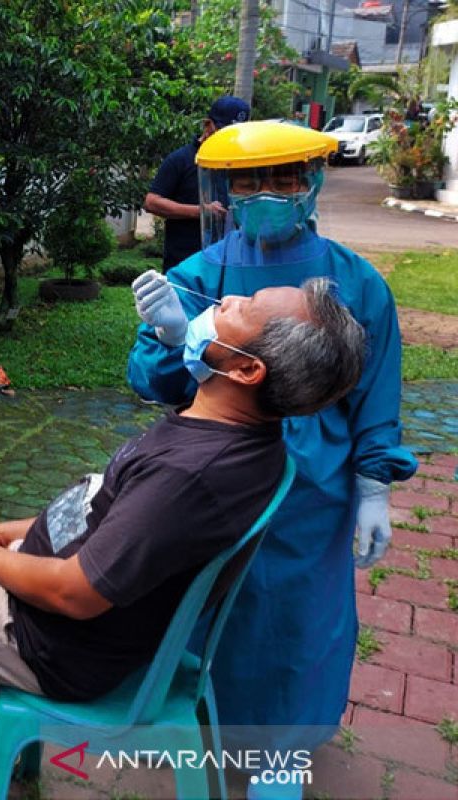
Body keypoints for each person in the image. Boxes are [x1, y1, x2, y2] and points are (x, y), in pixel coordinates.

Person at [0, 278, 367, 800]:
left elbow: (77, 592)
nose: (224, 299)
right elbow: (114, 509)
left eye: (242, 308)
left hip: (61, 640)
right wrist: (5, 535)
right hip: (102, 601)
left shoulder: (191, 476)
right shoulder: (242, 433)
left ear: (247, 369)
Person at [128, 121, 417, 797]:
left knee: (300, 620)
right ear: (226, 188)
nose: (264, 192)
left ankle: (281, 755)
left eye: (283, 177)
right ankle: (205, 719)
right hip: (215, 475)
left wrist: (376, 483)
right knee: (209, 607)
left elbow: (377, 389)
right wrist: (175, 338)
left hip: (311, 488)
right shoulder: (199, 275)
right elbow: (151, 380)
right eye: (249, 180)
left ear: (312, 180)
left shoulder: (356, 281)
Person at [144, 95, 251, 270]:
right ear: (208, 125)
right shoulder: (180, 160)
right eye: (224, 132)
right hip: (185, 264)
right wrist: (201, 211)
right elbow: (152, 202)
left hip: (228, 264)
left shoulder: (238, 164)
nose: (230, 139)